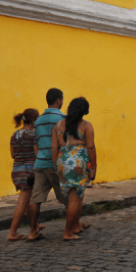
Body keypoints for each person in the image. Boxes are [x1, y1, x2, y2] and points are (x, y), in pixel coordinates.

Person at [51, 97, 97, 241]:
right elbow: (90, 147)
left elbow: (54, 147)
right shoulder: (86, 126)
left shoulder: (58, 126)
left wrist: (56, 165)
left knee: (77, 196)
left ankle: (76, 226)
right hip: (78, 164)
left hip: (62, 162)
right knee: (74, 199)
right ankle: (68, 232)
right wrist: (94, 167)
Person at [28, 88, 68, 241]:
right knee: (68, 196)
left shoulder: (38, 121)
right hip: (55, 163)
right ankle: (74, 225)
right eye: (62, 99)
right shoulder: (63, 118)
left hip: (40, 164)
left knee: (35, 198)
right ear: (58, 100)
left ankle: (32, 232)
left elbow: (37, 143)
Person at [8, 109, 39, 241]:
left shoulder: (14, 135)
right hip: (29, 171)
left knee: (26, 201)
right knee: (22, 202)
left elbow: (13, 155)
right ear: (32, 120)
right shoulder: (33, 135)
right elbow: (37, 154)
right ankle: (12, 232)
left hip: (17, 171)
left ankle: (34, 225)